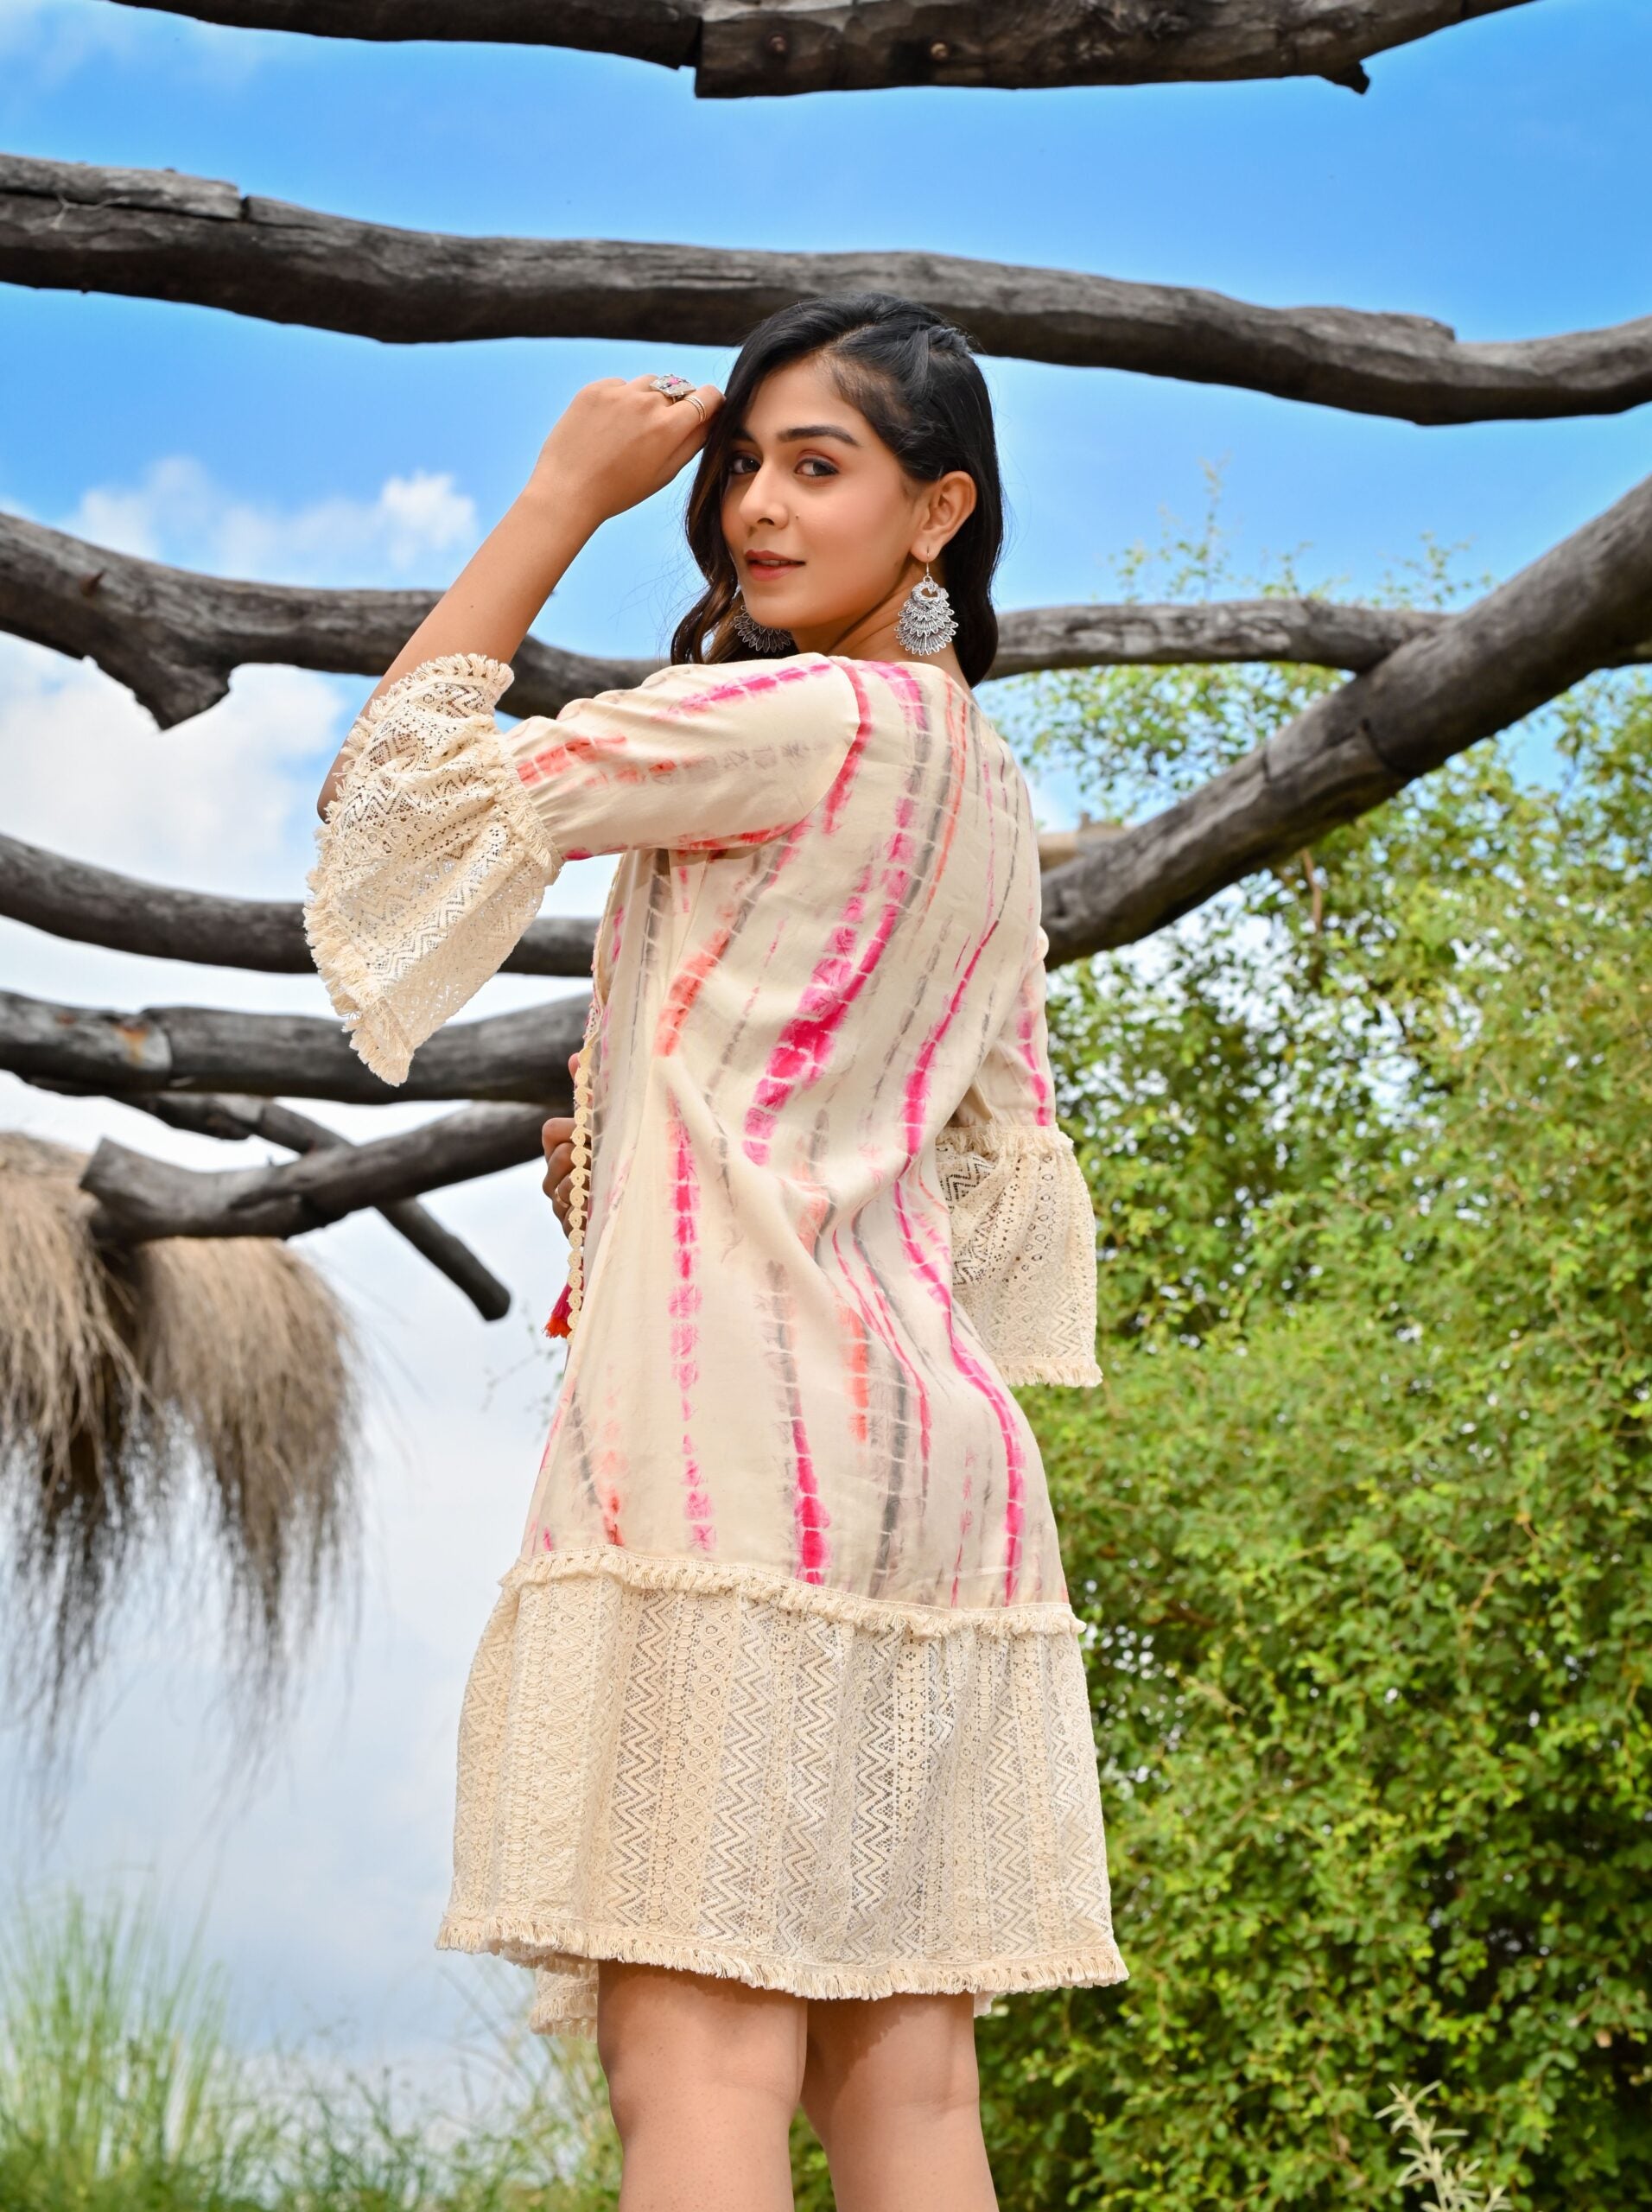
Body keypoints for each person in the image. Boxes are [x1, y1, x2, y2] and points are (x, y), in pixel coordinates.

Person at [308, 292, 1125, 2212]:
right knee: (909, 2089)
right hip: (936, 1472)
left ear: (938, 512)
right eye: (742, 464)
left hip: (733, 1465)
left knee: (694, 2069)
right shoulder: (978, 784)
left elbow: (389, 812)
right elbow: (976, 1160)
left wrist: (554, 501)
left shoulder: (793, 713)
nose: (755, 506)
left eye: (813, 466)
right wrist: (644, 1180)